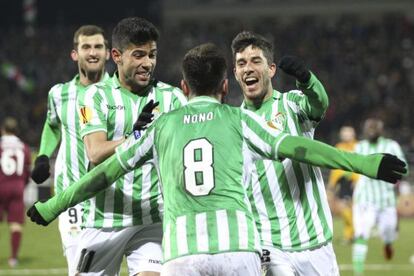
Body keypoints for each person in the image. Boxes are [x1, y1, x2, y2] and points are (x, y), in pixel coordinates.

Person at [27, 43, 406, 276]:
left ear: (184, 88)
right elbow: (299, 147)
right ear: (226, 86)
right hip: (237, 252)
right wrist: (367, 165)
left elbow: (103, 173)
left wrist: (54, 205)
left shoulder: (161, 127)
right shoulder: (239, 119)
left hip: (182, 255)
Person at [72, 17, 186, 276]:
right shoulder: (94, 96)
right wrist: (136, 136)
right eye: (138, 55)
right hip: (103, 221)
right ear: (117, 56)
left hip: (151, 221)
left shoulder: (172, 98)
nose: (148, 63)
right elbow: (96, 152)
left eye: (152, 55)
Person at [232, 30, 337, 275]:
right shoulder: (233, 123)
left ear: (271, 69)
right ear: (235, 73)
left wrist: (306, 79)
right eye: (241, 63)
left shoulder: (292, 104)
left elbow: (319, 104)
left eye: (255, 61)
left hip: (316, 242)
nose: (248, 68)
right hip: (268, 245)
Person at [30, 25, 110, 275]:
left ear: (108, 53)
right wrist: (43, 155)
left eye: (98, 46)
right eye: (86, 47)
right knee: (80, 268)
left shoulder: (120, 93)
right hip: (71, 196)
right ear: (75, 54)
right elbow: (52, 125)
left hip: (111, 196)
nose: (93, 52)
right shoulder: (59, 94)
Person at [352, 118, 408, 275]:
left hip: (387, 200)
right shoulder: (360, 146)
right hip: (364, 200)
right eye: (369, 128)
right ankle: (358, 272)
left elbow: (405, 169)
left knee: (389, 232)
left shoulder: (391, 146)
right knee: (361, 234)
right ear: (364, 131)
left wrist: (394, 173)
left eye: (374, 128)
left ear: (380, 131)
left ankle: (388, 243)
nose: (371, 131)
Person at [0, 117, 31, 267]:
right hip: (17, 187)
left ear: (3, 130)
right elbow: (27, 170)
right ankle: (13, 259)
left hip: (0, 184)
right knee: (16, 224)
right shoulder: (24, 147)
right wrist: (21, 185)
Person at [328, 126, 359, 244]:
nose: (345, 135)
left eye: (348, 133)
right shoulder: (339, 147)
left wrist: (357, 180)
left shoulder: (358, 146)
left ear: (353, 134)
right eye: (344, 133)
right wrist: (332, 183)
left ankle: (353, 233)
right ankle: (350, 234)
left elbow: (359, 164)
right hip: (343, 182)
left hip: (354, 182)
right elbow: (334, 168)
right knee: (344, 208)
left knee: (353, 208)